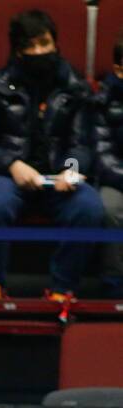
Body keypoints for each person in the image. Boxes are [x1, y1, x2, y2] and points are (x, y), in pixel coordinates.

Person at [0, 8, 103, 302]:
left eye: (44, 44)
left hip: (57, 177)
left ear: (56, 44)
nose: (38, 51)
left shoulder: (75, 87)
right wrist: (11, 164)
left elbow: (82, 144)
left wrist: (72, 169)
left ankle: (63, 288)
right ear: (17, 50)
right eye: (30, 46)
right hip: (7, 174)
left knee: (89, 207)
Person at [91, 32, 123, 298]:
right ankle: (114, 279)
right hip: (115, 178)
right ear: (119, 69)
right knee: (110, 208)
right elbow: (101, 151)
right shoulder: (104, 100)